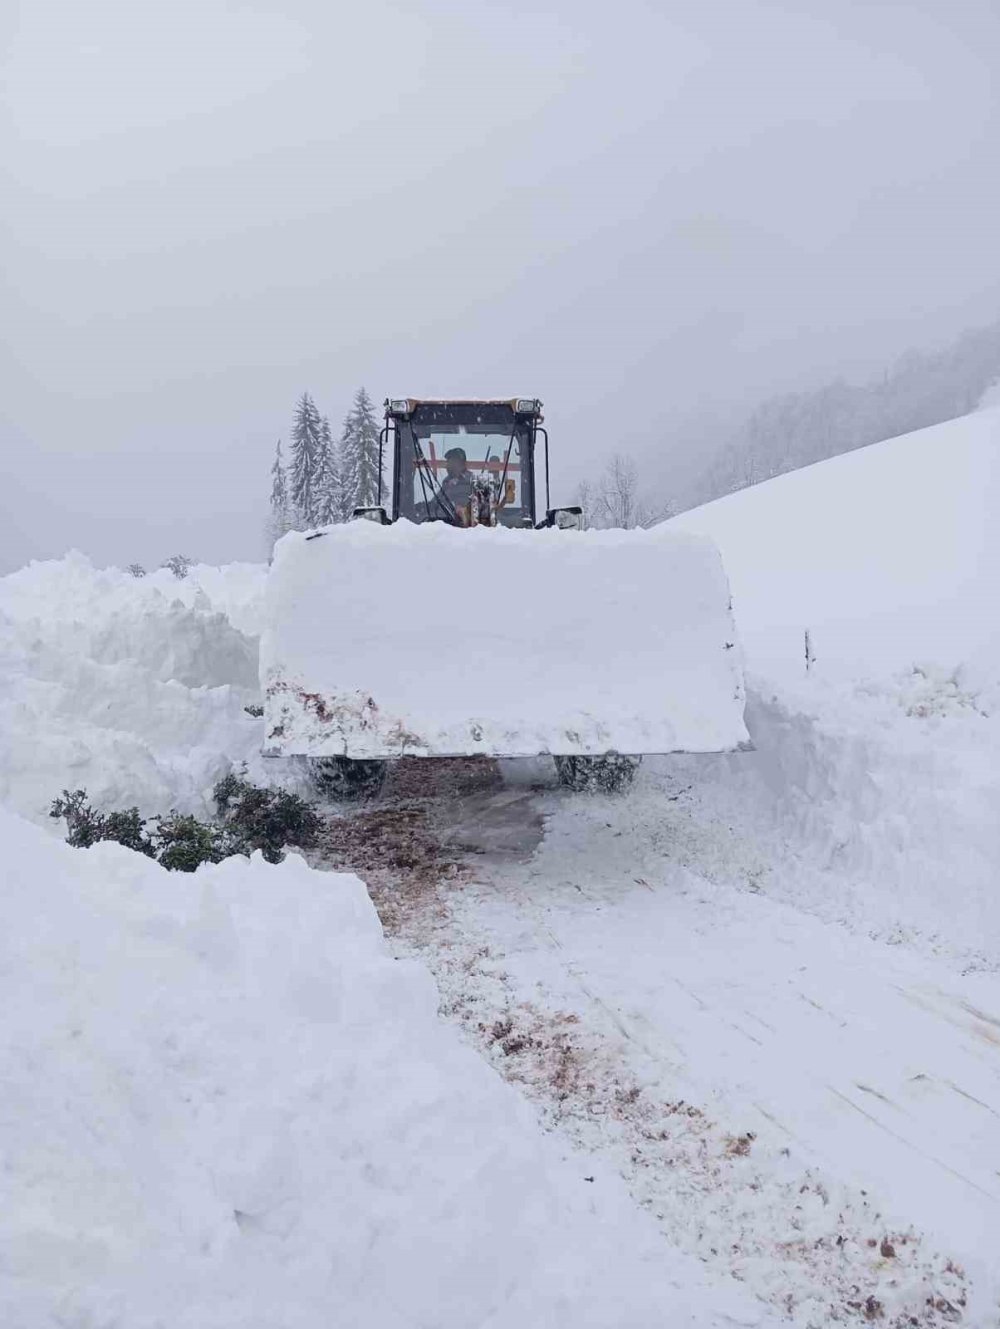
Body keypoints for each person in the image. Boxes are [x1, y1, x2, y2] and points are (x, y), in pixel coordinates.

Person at [439, 446, 475, 514]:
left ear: (458, 463)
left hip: (461, 523)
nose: (446, 466)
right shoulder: (447, 482)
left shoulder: (471, 482)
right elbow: (436, 502)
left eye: (449, 462)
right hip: (443, 522)